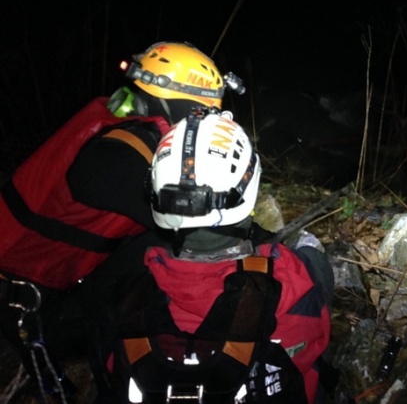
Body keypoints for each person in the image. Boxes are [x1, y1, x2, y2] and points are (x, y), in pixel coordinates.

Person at [0, 42, 244, 401]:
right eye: (202, 112)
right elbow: (195, 227)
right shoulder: (116, 156)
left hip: (67, 270)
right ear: (179, 105)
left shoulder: (128, 123)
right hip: (25, 285)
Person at [109, 109, 333, 404]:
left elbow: (114, 369)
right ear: (249, 186)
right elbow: (314, 342)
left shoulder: (134, 285)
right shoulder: (289, 277)